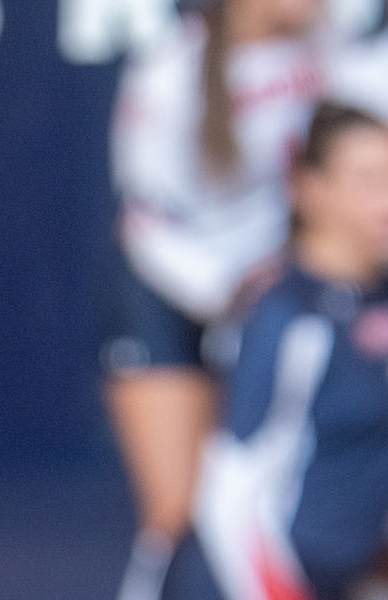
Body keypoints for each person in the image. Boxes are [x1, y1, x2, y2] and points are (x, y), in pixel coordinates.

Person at [106, 2, 388, 596]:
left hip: (276, 286)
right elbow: (144, 218)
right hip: (170, 298)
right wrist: (229, 292)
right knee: (176, 511)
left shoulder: (335, 47)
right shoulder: (173, 68)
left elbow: (364, 133)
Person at [160, 102, 388, 599]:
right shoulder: (285, 314)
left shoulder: (376, 298)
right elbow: (235, 492)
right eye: (368, 180)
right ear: (310, 189)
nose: (385, 200)